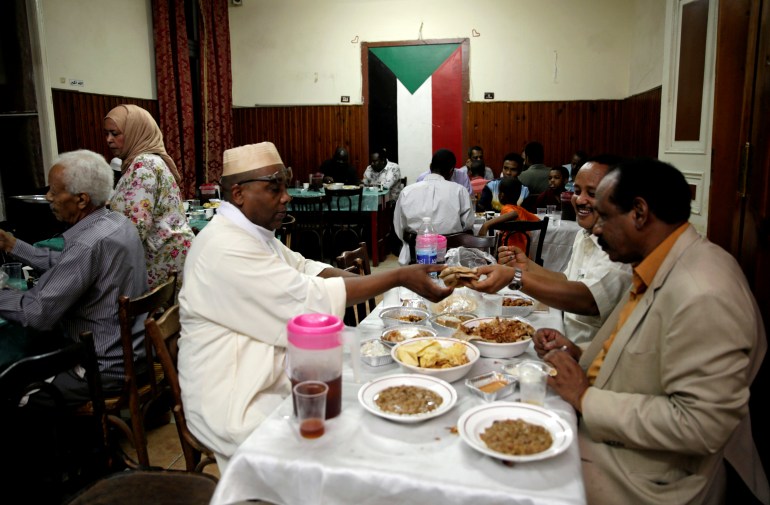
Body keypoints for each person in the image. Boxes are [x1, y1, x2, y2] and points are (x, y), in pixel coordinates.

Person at [484, 158, 768, 504]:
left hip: (658, 474)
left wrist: (584, 397)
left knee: (506, 471)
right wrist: (579, 354)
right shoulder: (661, 262)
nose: (597, 228)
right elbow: (641, 353)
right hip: (625, 436)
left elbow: (700, 425)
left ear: (639, 212)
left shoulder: (703, 292)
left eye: (605, 216)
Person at [177, 142, 452, 468]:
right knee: (348, 446)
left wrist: (389, 277)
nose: (286, 197)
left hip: (271, 372)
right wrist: (398, 278)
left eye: (285, 186)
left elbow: (308, 268)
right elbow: (308, 296)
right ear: (238, 194)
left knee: (369, 395)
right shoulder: (225, 246)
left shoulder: (252, 234)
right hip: (236, 394)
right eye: (274, 188)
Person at [0, 149, 147, 402]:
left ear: (81, 200)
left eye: (55, 192)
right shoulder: (117, 224)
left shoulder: (86, 244)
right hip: (136, 355)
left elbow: (35, 313)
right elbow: (68, 264)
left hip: (102, 369)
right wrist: (13, 246)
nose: (48, 198)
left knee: (13, 390)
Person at [492, 156, 631, 345]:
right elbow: (567, 280)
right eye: (577, 191)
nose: (580, 200)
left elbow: (589, 300)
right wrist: (526, 266)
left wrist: (515, 277)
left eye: (592, 193)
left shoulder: (623, 248)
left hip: (589, 353)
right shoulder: (584, 235)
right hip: (563, 336)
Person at [104, 104, 194, 289]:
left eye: (115, 133)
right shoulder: (150, 160)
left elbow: (135, 228)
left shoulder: (142, 164)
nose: (109, 140)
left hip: (162, 260)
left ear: (134, 132)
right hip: (171, 257)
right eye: (107, 134)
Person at [393, 148, 474, 265]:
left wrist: (417, 240)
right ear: (451, 171)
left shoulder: (407, 192)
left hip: (416, 259)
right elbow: (468, 226)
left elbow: (399, 227)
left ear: (430, 167)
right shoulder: (460, 191)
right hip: (452, 261)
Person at [478, 178, 539, 252]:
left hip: (506, 255)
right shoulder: (521, 210)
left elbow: (513, 214)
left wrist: (487, 224)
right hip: (524, 254)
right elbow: (538, 221)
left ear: (501, 195)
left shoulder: (506, 208)